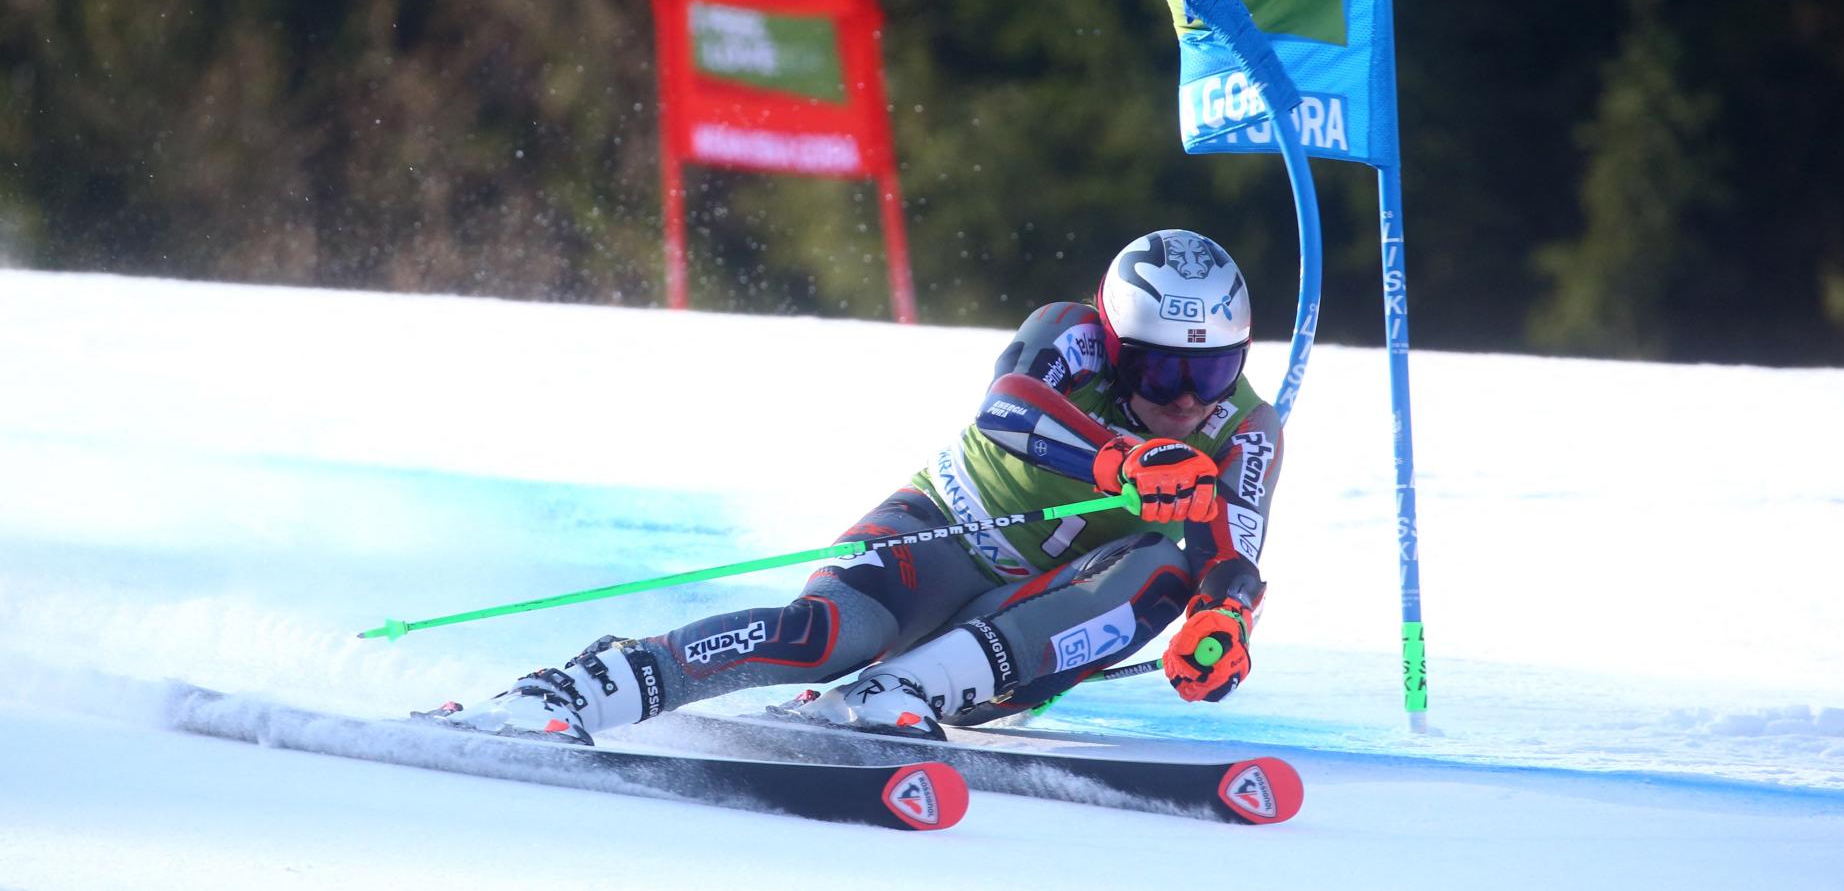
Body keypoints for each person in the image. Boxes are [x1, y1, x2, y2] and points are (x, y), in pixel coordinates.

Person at [435, 228, 1285, 744]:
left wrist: (1225, 619)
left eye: (1211, 368)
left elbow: (1231, 555)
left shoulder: (1243, 429)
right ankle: (583, 687)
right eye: (1162, 364)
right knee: (827, 634)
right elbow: (1008, 409)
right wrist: (1116, 461)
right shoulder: (1068, 335)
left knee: (1169, 568)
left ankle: (901, 692)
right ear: (1114, 336)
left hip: (1025, 623)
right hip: (936, 536)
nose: (1183, 396)